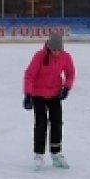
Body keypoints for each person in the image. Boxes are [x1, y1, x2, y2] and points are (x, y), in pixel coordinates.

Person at [22, 32, 76, 170]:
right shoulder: (39, 56)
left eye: (59, 49)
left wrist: (66, 88)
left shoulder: (66, 57)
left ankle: (56, 154)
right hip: (38, 93)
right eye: (54, 50)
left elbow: (70, 73)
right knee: (41, 123)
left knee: (57, 122)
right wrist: (28, 95)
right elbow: (29, 75)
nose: (57, 52)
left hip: (54, 93)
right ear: (49, 47)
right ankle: (39, 155)